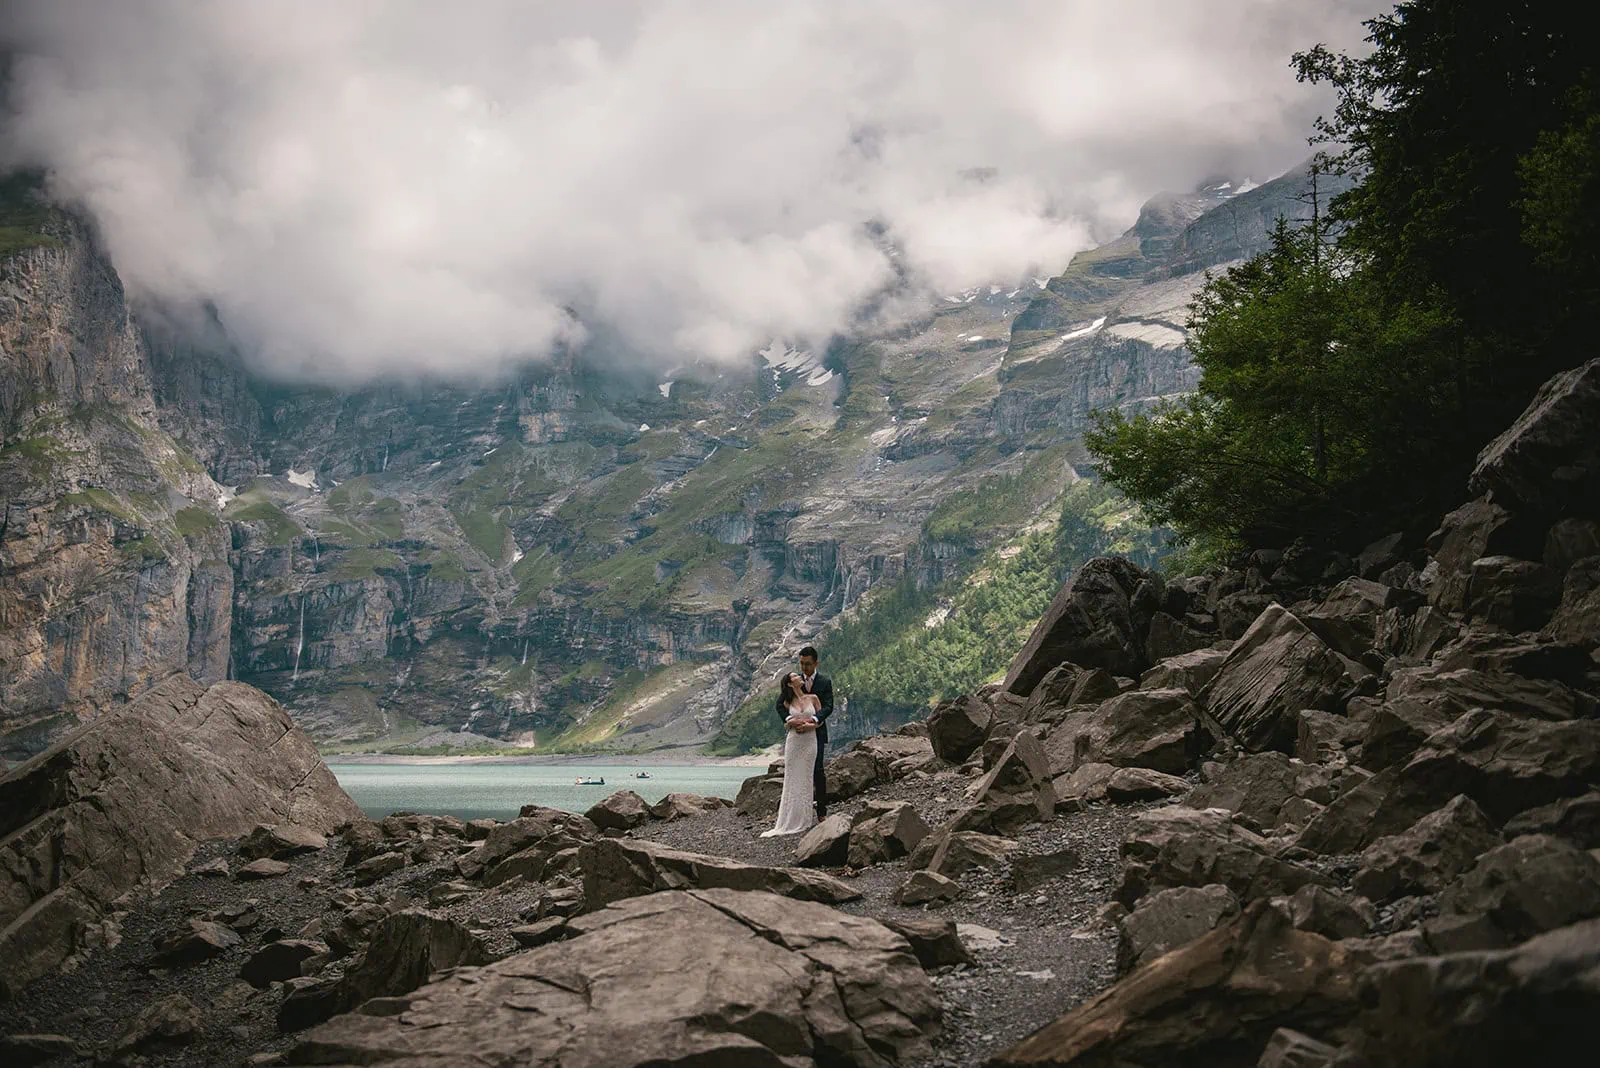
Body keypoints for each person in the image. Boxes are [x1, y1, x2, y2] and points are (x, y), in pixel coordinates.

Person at [772, 645, 832, 819]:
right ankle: (795, 812)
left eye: (807, 664)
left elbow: (828, 706)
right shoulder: (793, 683)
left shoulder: (825, 682)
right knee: (795, 772)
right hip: (797, 736)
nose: (804, 668)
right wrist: (789, 720)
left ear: (816, 663)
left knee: (818, 771)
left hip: (816, 734)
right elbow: (779, 705)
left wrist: (813, 721)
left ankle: (821, 813)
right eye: (802, 664)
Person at [761, 671, 821, 837]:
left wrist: (811, 726)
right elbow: (782, 714)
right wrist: (789, 721)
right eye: (795, 676)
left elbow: (821, 719)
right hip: (794, 742)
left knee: (807, 777)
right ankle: (789, 819)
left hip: (810, 740)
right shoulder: (787, 702)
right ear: (789, 683)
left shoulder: (813, 698)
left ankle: (804, 818)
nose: (799, 676)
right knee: (792, 777)